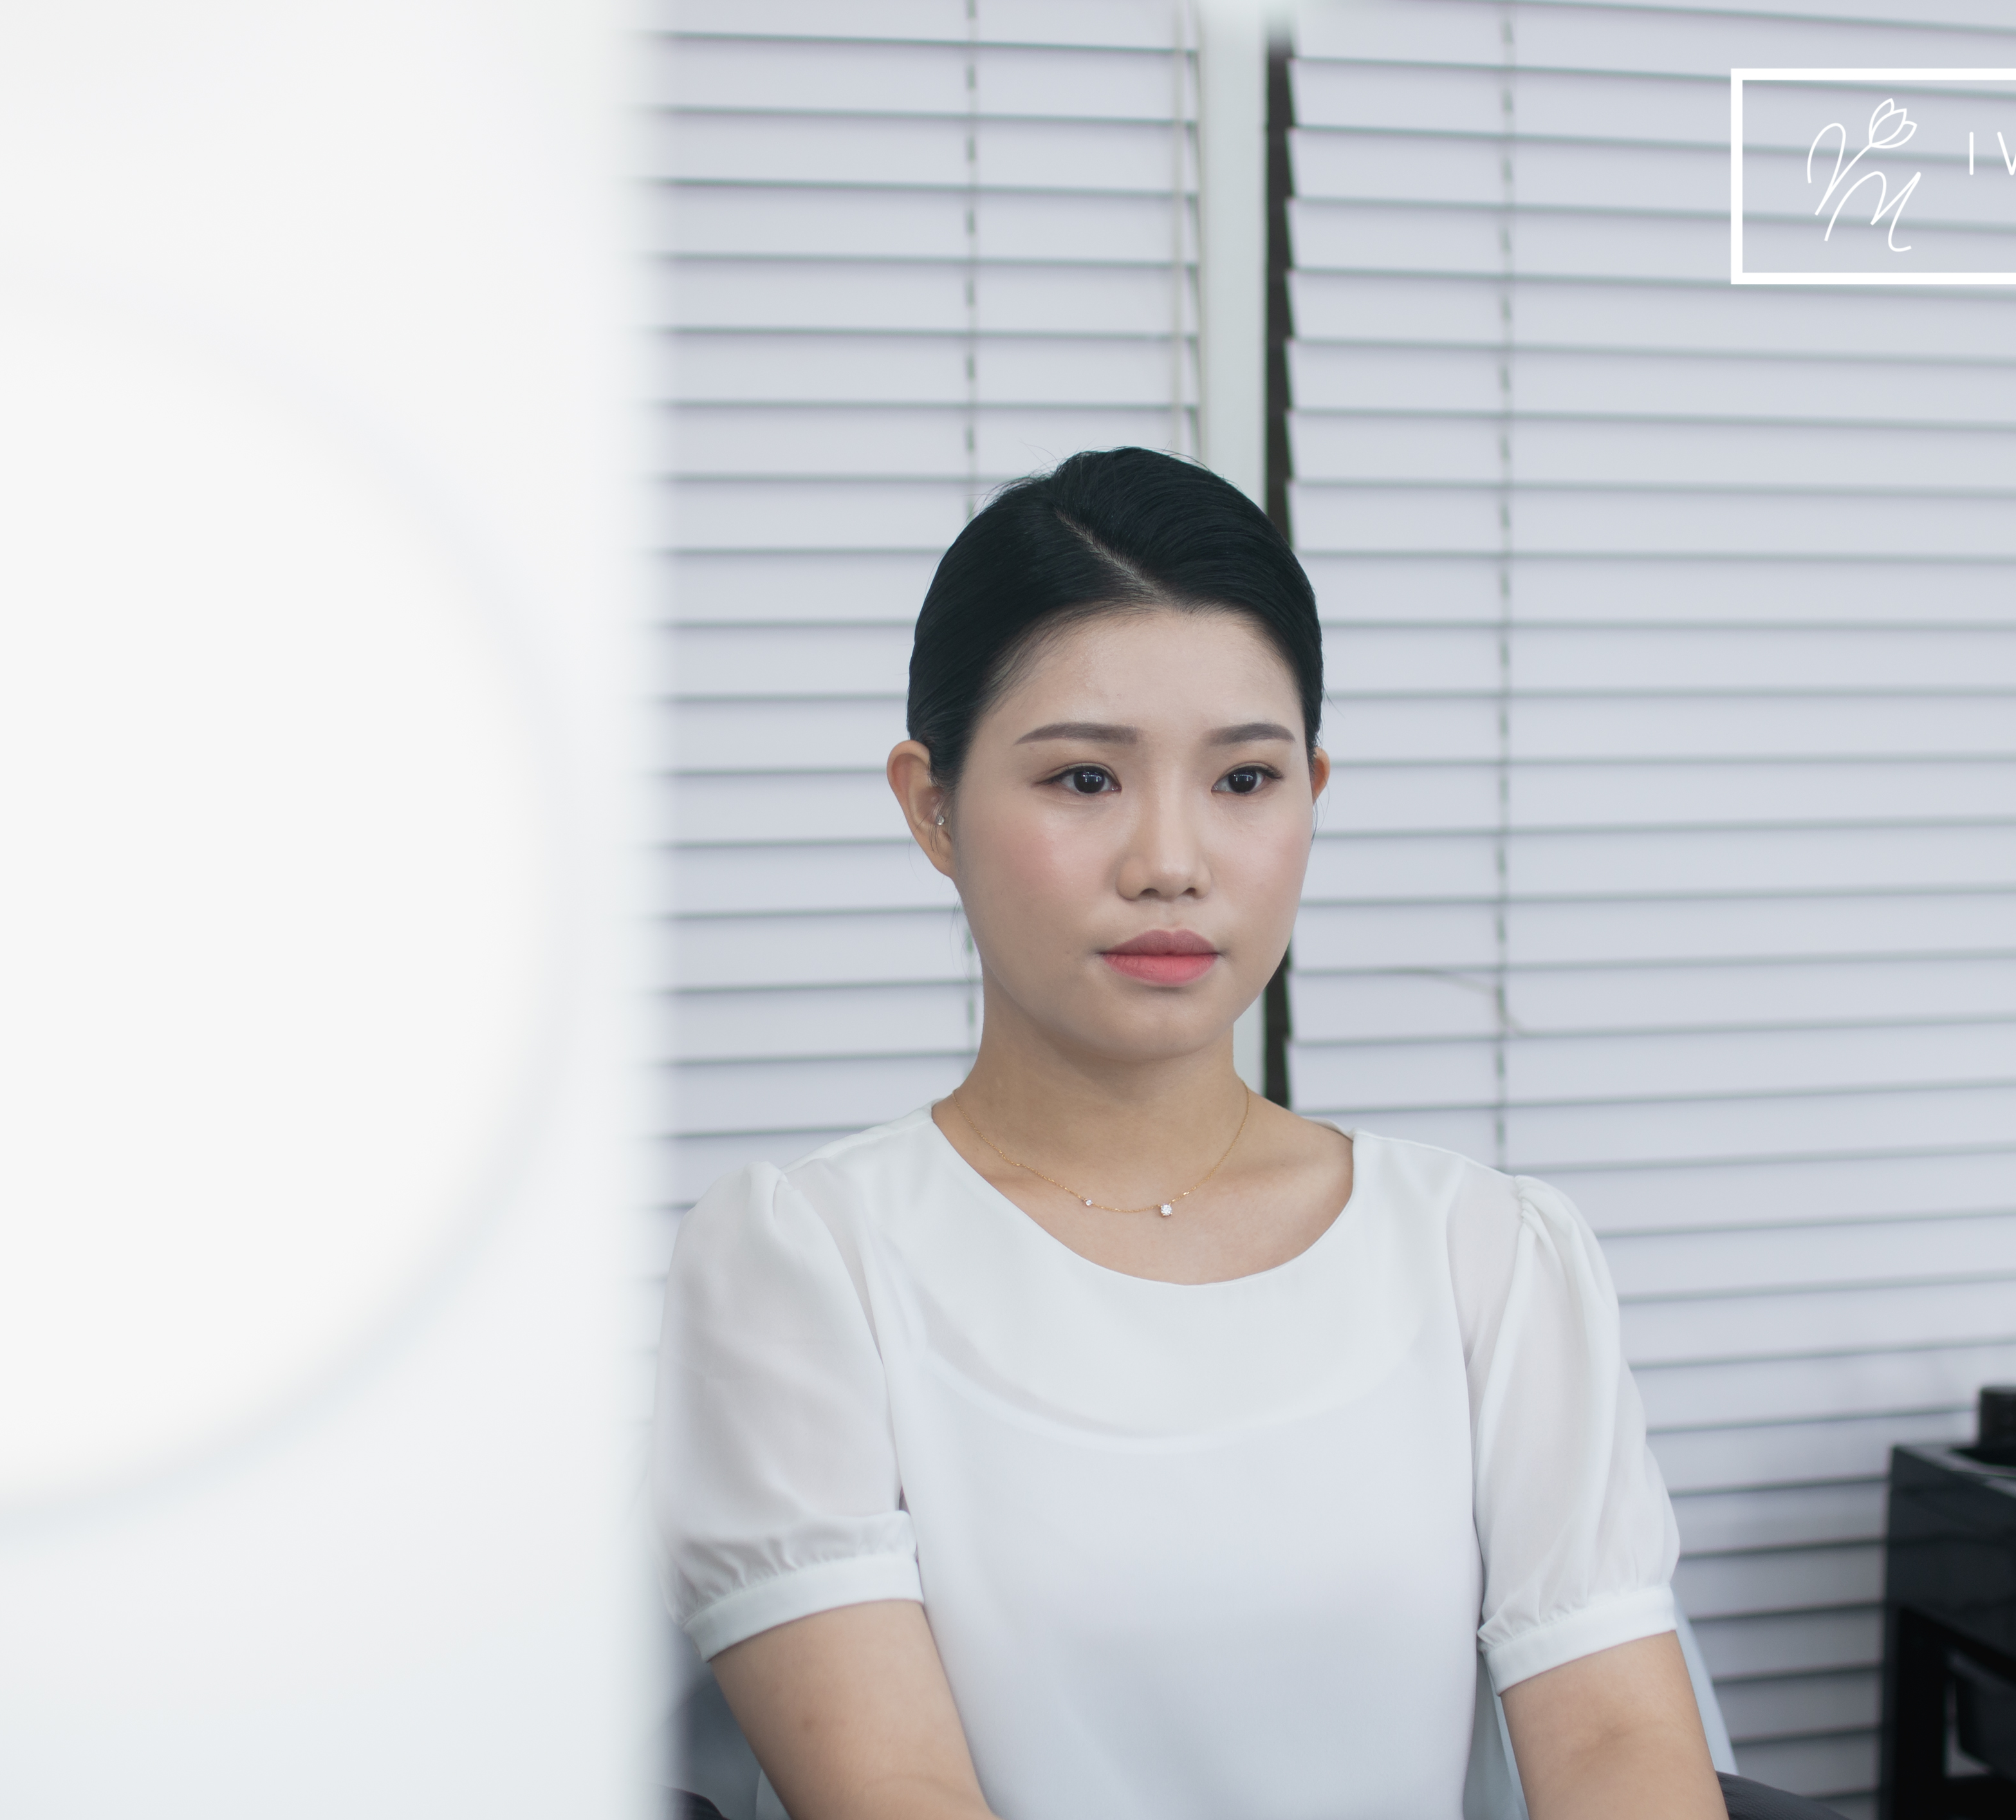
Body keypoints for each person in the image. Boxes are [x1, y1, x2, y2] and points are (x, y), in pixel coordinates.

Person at [652, 449, 1833, 1820]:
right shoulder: (805, 1262)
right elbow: (895, 1789)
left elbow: (1622, 1752)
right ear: (931, 805)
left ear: (1311, 793)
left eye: (1245, 779)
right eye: (1083, 778)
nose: (1171, 861)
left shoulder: (1486, 1251)